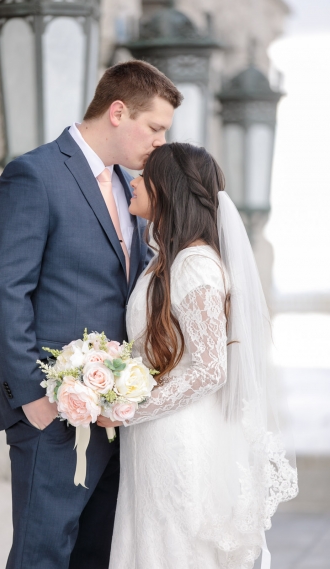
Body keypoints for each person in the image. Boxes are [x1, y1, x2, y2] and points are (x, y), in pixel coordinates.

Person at [0, 60, 182, 568]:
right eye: (155, 127)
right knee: (40, 555)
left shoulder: (129, 189)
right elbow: (5, 290)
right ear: (119, 112)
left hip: (118, 416)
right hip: (51, 412)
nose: (160, 142)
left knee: (96, 556)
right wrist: (32, 398)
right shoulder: (35, 174)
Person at [98, 143, 297, 568]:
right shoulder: (164, 262)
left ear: (166, 188)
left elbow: (210, 369)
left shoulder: (195, 266)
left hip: (179, 442)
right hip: (154, 441)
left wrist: (128, 409)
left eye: (144, 174)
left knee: (174, 548)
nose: (132, 180)